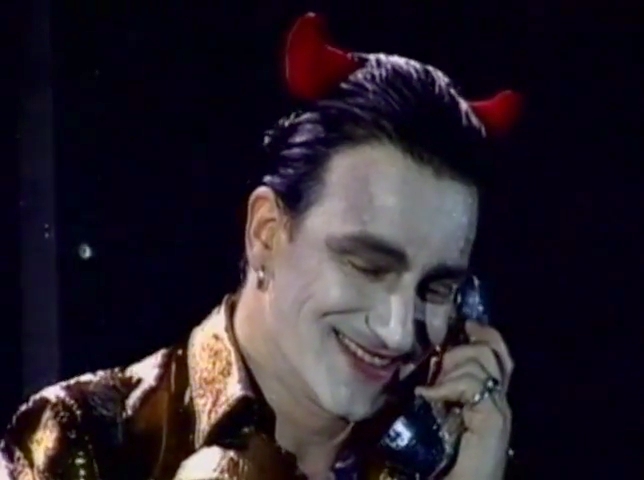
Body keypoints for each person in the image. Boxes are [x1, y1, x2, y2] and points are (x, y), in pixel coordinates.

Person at [1, 13, 523, 480]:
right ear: (266, 233)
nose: (398, 330)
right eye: (368, 267)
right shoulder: (84, 440)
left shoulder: (451, 455)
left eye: (437, 288)